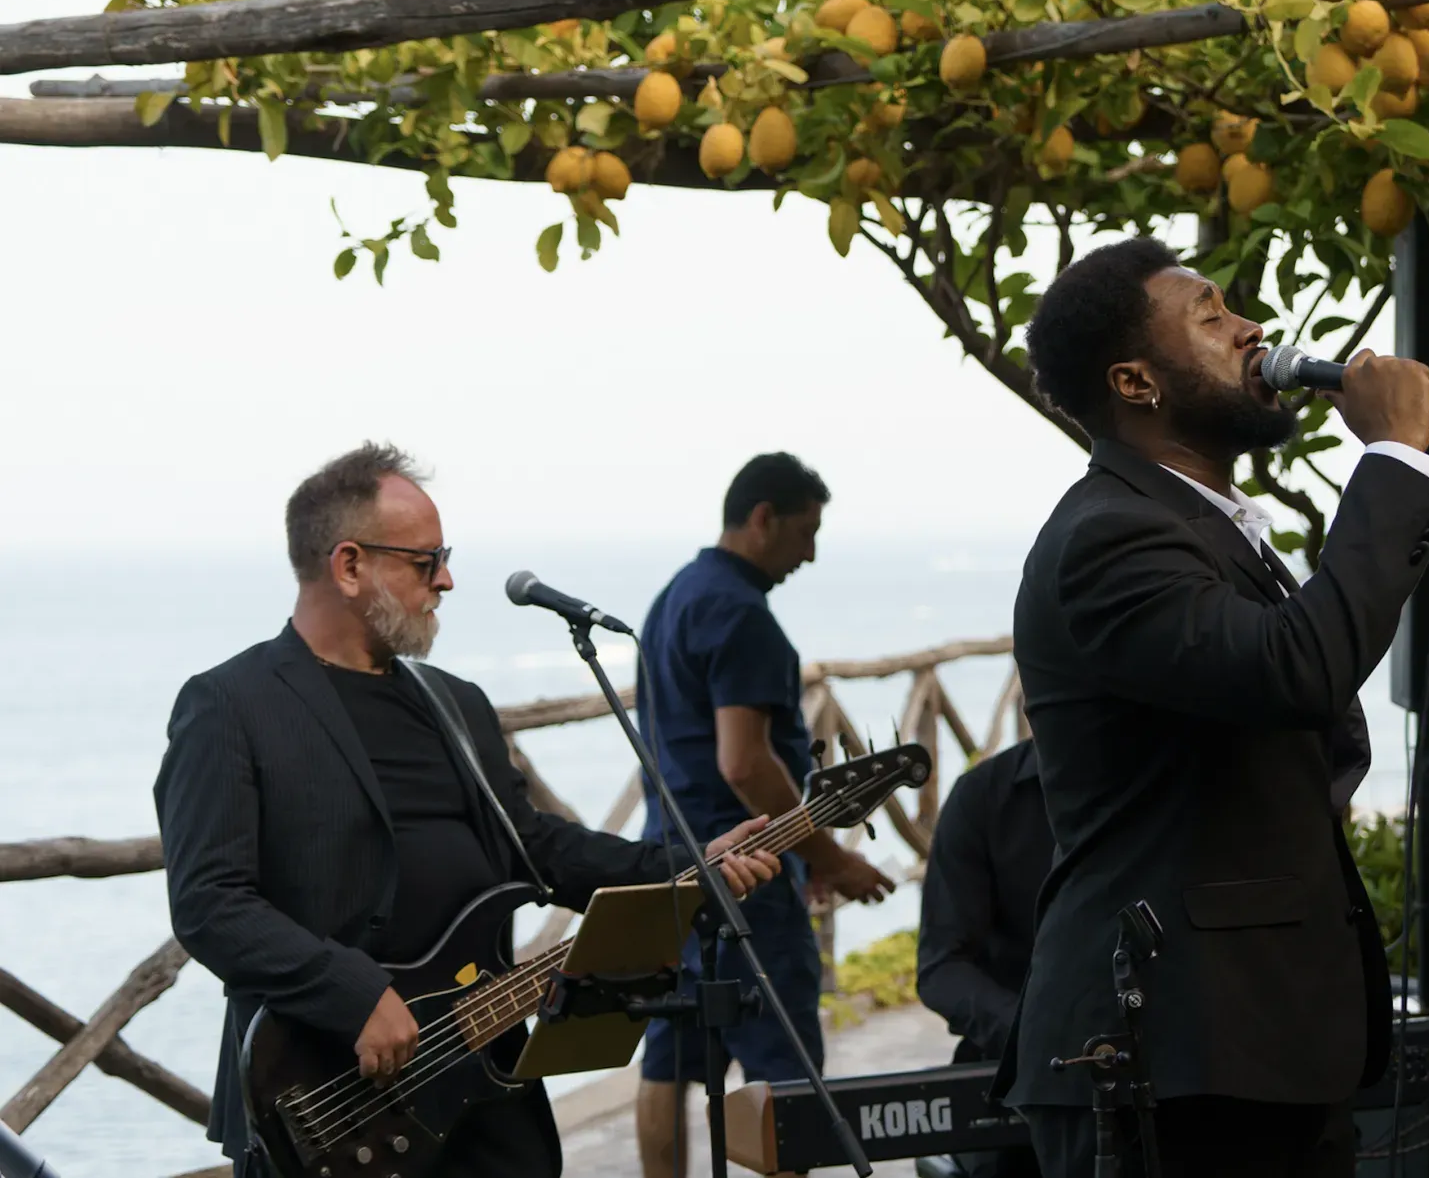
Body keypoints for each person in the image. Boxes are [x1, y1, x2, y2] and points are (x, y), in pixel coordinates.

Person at [153, 442, 780, 1178]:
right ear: (348, 565)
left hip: (485, 1084)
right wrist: (353, 993)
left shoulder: (456, 704)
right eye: (427, 561)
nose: (446, 580)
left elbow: (535, 847)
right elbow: (210, 902)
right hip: (328, 1100)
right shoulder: (229, 705)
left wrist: (687, 865)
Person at [999, 237, 1429, 1177]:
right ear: (1135, 383)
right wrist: (1394, 461)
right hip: (1170, 1057)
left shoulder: (1197, 526)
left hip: (1255, 1044)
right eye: (1210, 315)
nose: (1251, 328)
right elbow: (1294, 668)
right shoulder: (1108, 537)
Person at [632, 452, 896, 1178]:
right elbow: (744, 761)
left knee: (668, 1057)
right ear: (762, 518)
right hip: (747, 875)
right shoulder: (742, 614)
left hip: (673, 866)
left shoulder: (675, 597)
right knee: (785, 1080)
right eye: (806, 532)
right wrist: (830, 858)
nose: (809, 555)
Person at [917, 738, 1051, 1178]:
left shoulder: (1172, 780)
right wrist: (1032, 1036)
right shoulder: (982, 794)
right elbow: (941, 968)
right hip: (1014, 1077)